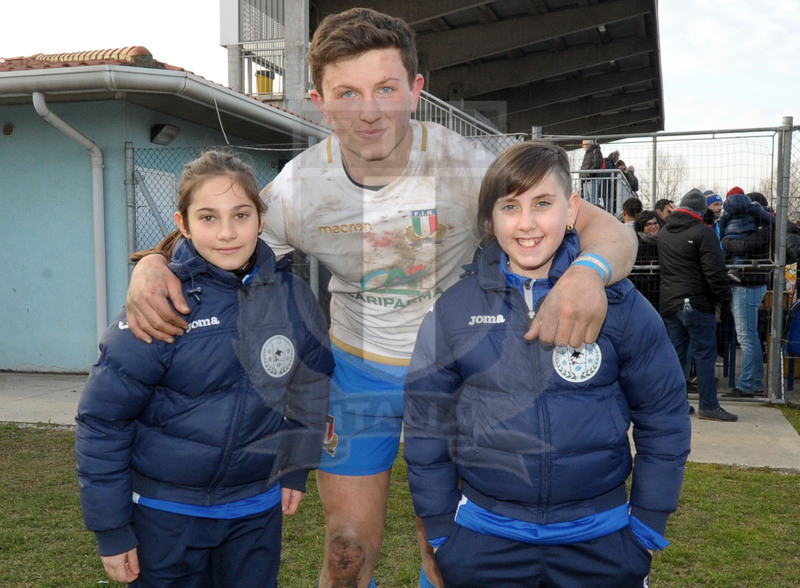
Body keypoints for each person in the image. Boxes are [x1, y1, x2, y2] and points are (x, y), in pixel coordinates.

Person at [123, 9, 638, 588]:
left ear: (416, 90)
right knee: (346, 551)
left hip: (456, 376)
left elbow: (610, 232)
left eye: (386, 89)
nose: (368, 111)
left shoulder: (469, 166)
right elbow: (220, 237)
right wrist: (154, 266)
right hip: (357, 373)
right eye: (347, 93)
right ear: (320, 103)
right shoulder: (299, 186)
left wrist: (588, 272)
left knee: (444, 549)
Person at [403, 141, 691, 587]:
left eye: (542, 203)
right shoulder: (453, 311)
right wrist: (442, 531)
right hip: (485, 536)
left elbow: (664, 415)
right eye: (510, 206)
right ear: (491, 220)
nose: (527, 223)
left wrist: (646, 525)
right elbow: (426, 425)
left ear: (571, 208)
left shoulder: (621, 305)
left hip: (602, 535)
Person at [75, 151, 334, 586]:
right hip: (166, 515)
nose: (227, 233)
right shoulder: (160, 304)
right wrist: (112, 528)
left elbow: (311, 385)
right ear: (183, 224)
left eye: (241, 215)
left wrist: (296, 466)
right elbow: (103, 421)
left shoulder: (294, 298)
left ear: (260, 218)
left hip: (255, 510)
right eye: (209, 217)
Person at [658, 189, 737, 422]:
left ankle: (675, 404)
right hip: (697, 303)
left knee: (676, 355)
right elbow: (715, 273)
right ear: (702, 211)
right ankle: (709, 405)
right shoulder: (704, 232)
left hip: (670, 302)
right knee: (704, 355)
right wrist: (725, 299)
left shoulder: (664, 233)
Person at [720, 191, 775, 398]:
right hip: (747, 284)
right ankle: (754, 382)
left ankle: (747, 385)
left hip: (748, 285)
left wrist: (725, 242)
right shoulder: (759, 226)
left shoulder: (763, 229)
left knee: (746, 337)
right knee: (749, 336)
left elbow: (742, 245)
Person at [631, 210, 660, 309]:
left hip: (657, 288)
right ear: (641, 226)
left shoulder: (661, 241)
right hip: (641, 288)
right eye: (649, 224)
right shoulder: (636, 243)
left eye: (655, 223)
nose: (653, 226)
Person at [580, 138, 603, 205]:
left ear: (589, 144)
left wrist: (588, 173)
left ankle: (595, 211)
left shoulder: (595, 151)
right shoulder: (588, 153)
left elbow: (597, 165)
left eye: (584, 144)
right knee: (587, 199)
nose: (583, 146)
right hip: (586, 178)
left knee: (593, 199)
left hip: (592, 178)